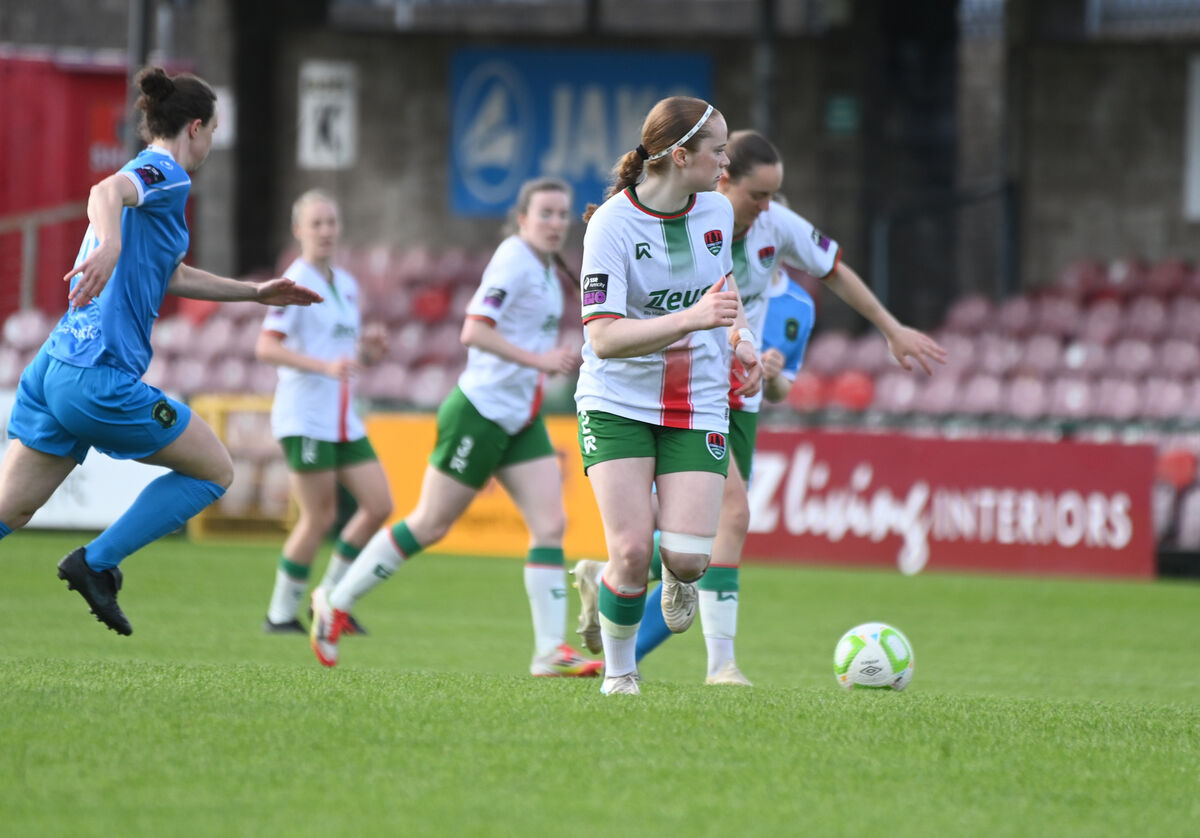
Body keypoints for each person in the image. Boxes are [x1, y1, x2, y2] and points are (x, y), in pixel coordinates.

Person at [574, 131, 945, 686]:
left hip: (737, 384)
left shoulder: (772, 230)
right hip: (686, 377)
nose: (767, 207)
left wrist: (890, 328)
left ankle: (618, 582)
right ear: (722, 178)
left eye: (774, 195)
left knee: (701, 537)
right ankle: (714, 663)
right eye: (758, 194)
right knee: (731, 517)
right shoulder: (683, 215)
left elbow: (833, 269)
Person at [0, 67, 322, 636]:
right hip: (98, 377)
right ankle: (95, 563)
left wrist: (254, 293)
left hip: (55, 367)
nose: (212, 144)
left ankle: (95, 563)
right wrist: (110, 242)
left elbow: (170, 274)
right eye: (213, 132)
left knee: (11, 510)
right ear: (195, 128)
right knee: (215, 471)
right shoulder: (166, 172)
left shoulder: (157, 187)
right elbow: (105, 191)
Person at [309, 177, 602, 678]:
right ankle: (334, 601)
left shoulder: (545, 267)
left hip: (519, 416)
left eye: (562, 214)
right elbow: (473, 330)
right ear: (522, 219)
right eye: (545, 213)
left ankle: (549, 651)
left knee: (551, 525)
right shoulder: (513, 260)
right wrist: (539, 360)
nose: (556, 223)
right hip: (480, 413)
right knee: (429, 524)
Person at [572, 97, 763, 696]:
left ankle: (633, 576)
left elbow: (721, 288)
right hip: (616, 401)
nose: (727, 164)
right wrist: (693, 318)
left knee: (689, 560)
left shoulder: (715, 211)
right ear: (680, 157)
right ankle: (620, 674)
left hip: (697, 400)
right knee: (631, 551)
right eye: (719, 151)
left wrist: (742, 339)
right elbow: (603, 339)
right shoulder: (610, 226)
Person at [256, 190, 394, 634]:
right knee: (319, 517)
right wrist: (323, 366)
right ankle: (280, 614)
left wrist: (367, 354)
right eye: (316, 223)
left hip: (342, 416)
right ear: (298, 230)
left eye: (331, 222)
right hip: (306, 416)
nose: (326, 231)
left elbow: (343, 354)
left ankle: (330, 600)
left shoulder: (346, 284)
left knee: (379, 505)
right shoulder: (293, 283)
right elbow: (266, 347)